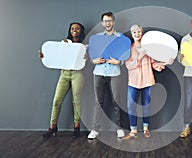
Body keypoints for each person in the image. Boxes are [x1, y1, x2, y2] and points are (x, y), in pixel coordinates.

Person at [40, 22, 86, 138]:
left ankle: (77, 127)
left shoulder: (84, 45)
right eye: (72, 28)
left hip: (77, 74)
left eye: (77, 29)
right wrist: (45, 56)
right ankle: (52, 127)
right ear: (70, 31)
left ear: (81, 31)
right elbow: (56, 56)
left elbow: (87, 61)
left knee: (77, 101)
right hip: (64, 74)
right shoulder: (64, 43)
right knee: (56, 101)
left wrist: (87, 57)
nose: (75, 30)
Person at [122, 25, 166, 140]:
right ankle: (133, 130)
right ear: (132, 34)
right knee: (131, 106)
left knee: (146, 106)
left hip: (147, 81)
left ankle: (146, 129)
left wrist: (164, 63)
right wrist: (139, 57)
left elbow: (153, 64)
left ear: (142, 33)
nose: (137, 34)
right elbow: (129, 65)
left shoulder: (148, 48)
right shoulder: (129, 49)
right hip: (133, 82)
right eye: (135, 32)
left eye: (139, 32)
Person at [88, 11, 125, 139]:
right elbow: (92, 55)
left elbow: (125, 55)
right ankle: (95, 129)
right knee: (98, 102)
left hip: (114, 73)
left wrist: (119, 62)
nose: (108, 23)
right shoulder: (97, 38)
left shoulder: (120, 37)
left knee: (117, 102)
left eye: (110, 20)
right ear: (102, 23)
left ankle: (119, 128)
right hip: (98, 73)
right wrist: (94, 61)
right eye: (105, 21)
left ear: (113, 22)